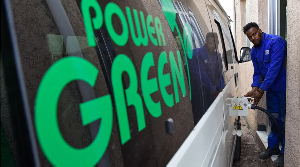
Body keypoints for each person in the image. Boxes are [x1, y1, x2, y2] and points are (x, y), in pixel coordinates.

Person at [243, 22, 287, 167]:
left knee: (284, 120)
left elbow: (273, 69)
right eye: (250, 37)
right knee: (273, 118)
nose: (253, 38)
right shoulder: (254, 52)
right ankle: (273, 146)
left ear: (260, 31)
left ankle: (285, 152)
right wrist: (255, 89)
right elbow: (258, 73)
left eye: (254, 34)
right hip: (270, 90)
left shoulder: (276, 42)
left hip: (282, 88)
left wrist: (260, 91)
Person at [188, 32, 225, 124]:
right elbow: (201, 76)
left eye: (215, 43)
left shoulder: (218, 56)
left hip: (214, 95)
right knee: (201, 122)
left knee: (214, 122)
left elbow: (219, 75)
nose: (212, 46)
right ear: (206, 42)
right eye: (210, 43)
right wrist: (215, 91)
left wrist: (221, 90)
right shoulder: (196, 54)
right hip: (200, 97)